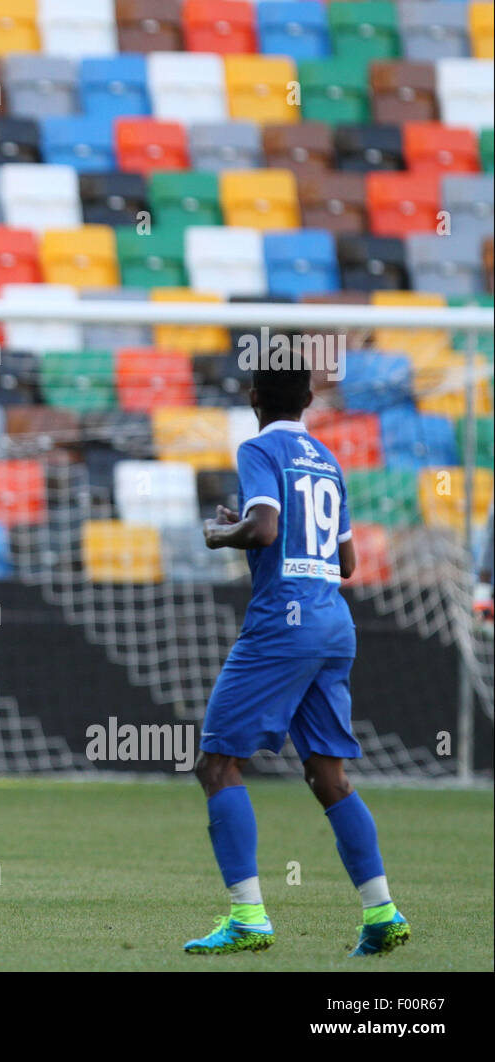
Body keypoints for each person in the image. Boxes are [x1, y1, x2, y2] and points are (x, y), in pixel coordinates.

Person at [186, 364, 409, 957]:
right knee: (328, 775)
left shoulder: (258, 448)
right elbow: (348, 563)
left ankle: (248, 917)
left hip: (283, 625)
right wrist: (252, 534)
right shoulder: (328, 460)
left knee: (216, 766)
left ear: (254, 397)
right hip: (335, 625)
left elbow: (263, 529)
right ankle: (382, 911)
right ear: (309, 400)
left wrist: (219, 534)